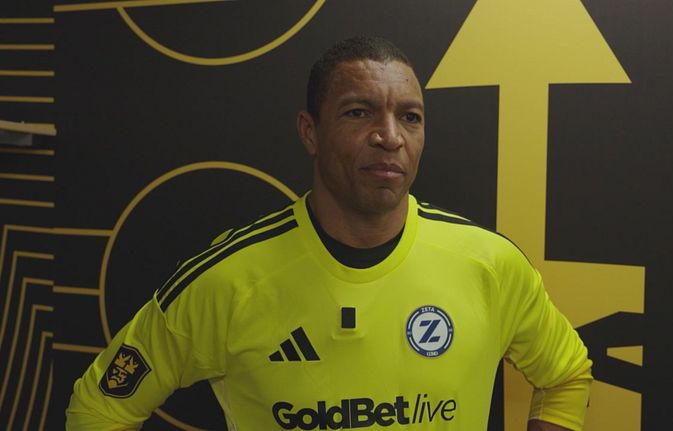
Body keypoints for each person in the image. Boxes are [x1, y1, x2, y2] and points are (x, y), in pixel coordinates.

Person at [66, 36, 592, 431]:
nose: (390, 137)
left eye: (410, 117)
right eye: (359, 112)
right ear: (310, 131)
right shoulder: (229, 280)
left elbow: (566, 375)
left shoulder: (490, 265)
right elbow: (99, 408)